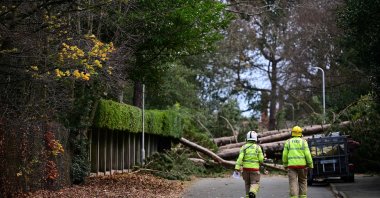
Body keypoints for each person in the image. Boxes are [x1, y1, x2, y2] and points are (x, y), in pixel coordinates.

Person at [282, 126, 313, 198]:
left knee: (293, 182)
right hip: (302, 166)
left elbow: (285, 155)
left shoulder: (288, 142)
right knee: (303, 182)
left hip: (291, 166)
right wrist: (310, 165)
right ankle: (303, 196)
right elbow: (308, 154)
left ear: (292, 133)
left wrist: (285, 164)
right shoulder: (304, 142)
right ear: (300, 134)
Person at [235, 131, 264, 198]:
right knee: (255, 183)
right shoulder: (257, 147)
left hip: (245, 169)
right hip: (254, 169)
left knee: (247, 184)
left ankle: (248, 196)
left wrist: (237, 167)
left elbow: (240, 158)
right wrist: (263, 159)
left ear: (247, 138)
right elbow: (261, 159)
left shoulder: (243, 147)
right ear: (256, 138)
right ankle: (252, 192)